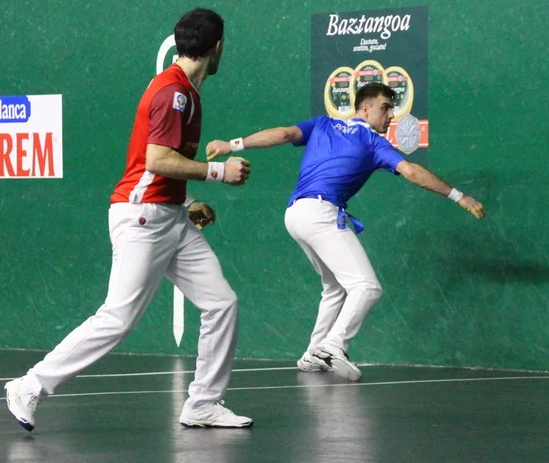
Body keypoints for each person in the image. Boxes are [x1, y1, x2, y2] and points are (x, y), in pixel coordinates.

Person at [5, 8, 255, 431]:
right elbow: (157, 160)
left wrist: (189, 200)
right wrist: (218, 172)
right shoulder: (171, 93)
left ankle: (203, 404)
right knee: (118, 318)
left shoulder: (187, 94)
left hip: (171, 216)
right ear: (217, 47)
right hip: (143, 218)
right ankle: (29, 386)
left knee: (221, 302)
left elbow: (159, 164)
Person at [206, 83, 485, 382]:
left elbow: (285, 134)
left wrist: (231, 145)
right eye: (385, 108)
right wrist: (459, 196)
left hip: (295, 214)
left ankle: (313, 352)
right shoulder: (373, 142)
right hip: (320, 214)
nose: (391, 115)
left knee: (335, 288)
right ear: (364, 108)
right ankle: (333, 346)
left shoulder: (322, 123)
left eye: (392, 109)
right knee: (367, 287)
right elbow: (412, 172)